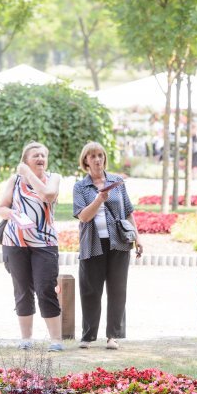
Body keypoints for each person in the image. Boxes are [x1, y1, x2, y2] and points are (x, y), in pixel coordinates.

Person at [73, 142, 143, 350]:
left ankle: (113, 335)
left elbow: (128, 211)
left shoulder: (117, 182)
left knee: (117, 289)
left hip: (118, 243)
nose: (97, 159)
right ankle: (88, 335)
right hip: (92, 243)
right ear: (85, 160)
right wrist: (98, 200)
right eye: (92, 156)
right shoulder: (80, 187)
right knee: (90, 290)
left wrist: (137, 237)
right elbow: (84, 216)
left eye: (100, 155)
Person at [0, 142, 64, 351]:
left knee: (46, 288)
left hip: (44, 244)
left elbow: (47, 195)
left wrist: (27, 172)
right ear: (25, 159)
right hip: (15, 243)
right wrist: (11, 214)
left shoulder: (53, 178)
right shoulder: (14, 181)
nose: (41, 159)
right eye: (35, 155)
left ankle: (56, 340)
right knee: (22, 290)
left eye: (43, 155)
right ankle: (26, 338)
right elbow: (1, 207)